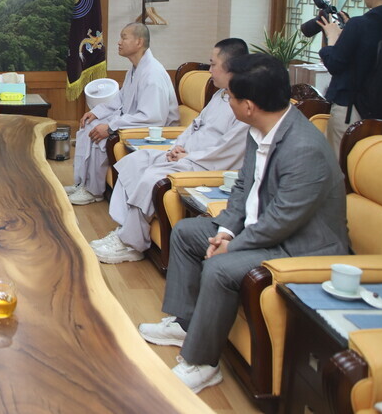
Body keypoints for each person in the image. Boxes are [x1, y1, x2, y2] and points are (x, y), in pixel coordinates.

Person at [137, 53, 348, 393]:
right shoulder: (259, 130)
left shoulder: (304, 148)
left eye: (231, 97)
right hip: (264, 229)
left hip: (301, 245)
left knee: (221, 268)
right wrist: (224, 231)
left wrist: (232, 245)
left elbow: (284, 220)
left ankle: (202, 363)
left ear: (248, 106)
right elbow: (242, 188)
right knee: (189, 233)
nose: (227, 102)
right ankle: (185, 323)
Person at [92, 38, 250, 264]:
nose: (210, 70)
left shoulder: (243, 104)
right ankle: (124, 230)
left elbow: (228, 150)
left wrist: (189, 156)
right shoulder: (220, 94)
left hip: (203, 164)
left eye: (213, 64)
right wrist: (179, 145)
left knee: (151, 178)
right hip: (186, 154)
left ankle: (132, 244)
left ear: (232, 67)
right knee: (136, 161)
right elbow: (194, 125)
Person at [66, 22, 179, 205]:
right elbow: (120, 98)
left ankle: (94, 192)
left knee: (99, 135)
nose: (119, 42)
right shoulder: (135, 69)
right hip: (134, 122)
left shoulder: (153, 74)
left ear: (139, 42)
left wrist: (110, 127)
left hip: (155, 132)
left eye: (124, 37)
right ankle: (83, 183)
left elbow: (152, 117)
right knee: (89, 125)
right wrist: (96, 112)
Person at [318, 0, 382, 155]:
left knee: (343, 166)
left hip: (351, 109)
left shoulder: (361, 25)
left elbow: (335, 63)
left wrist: (332, 39)